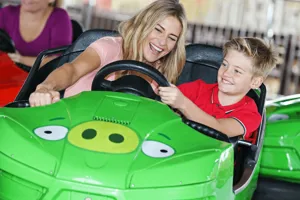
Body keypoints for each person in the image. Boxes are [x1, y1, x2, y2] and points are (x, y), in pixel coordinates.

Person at [29, 0, 187, 107]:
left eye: (171, 38)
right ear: (143, 25)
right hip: (76, 120)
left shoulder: (164, 73)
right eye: (158, 30)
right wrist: (45, 87)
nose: (162, 43)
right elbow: (72, 70)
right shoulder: (110, 47)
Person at [159, 37, 278, 140]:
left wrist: (183, 104)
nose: (226, 73)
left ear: (255, 81)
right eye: (224, 64)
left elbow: (219, 129)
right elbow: (159, 105)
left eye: (237, 71)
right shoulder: (197, 88)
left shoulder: (250, 115)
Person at [0, 0, 72, 67]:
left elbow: (58, 60)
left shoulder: (60, 17)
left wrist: (21, 59)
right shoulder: (6, 13)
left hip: (43, 78)